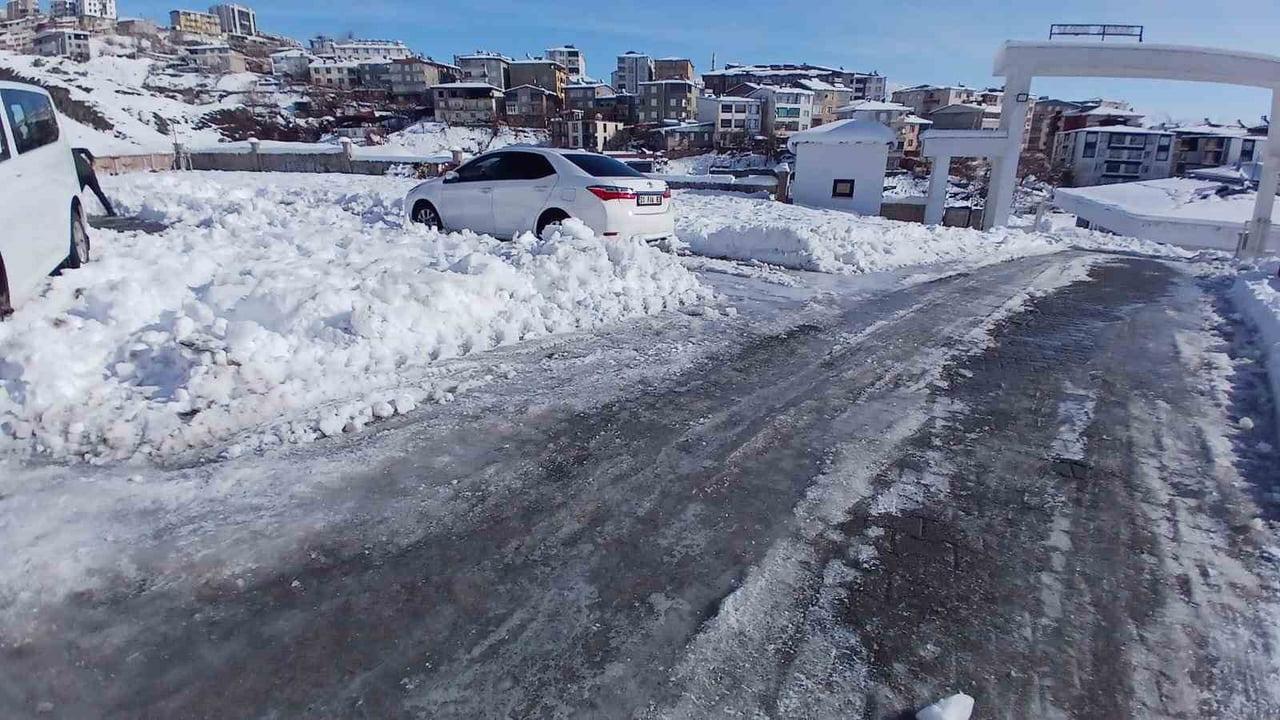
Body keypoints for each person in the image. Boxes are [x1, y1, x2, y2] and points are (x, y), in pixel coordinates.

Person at [71, 147, 116, 217]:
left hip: (80, 176)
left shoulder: (64, 156)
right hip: (90, 172)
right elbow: (85, 150)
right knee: (99, 193)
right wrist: (91, 160)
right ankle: (111, 211)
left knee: (76, 195)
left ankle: (76, 215)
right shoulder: (73, 150)